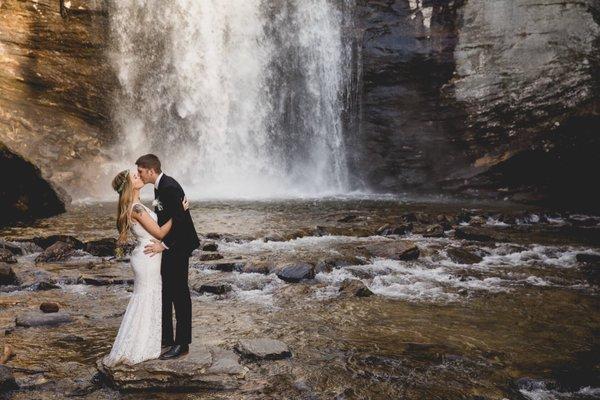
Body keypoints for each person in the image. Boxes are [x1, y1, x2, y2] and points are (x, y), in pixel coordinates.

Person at [103, 169, 189, 366]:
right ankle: (140, 346)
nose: (140, 177)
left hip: (146, 254)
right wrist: (178, 213)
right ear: (129, 186)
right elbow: (159, 233)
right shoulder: (137, 209)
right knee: (147, 297)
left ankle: (144, 342)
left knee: (146, 297)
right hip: (148, 255)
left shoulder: (135, 206)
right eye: (135, 176)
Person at [136, 154, 200, 359]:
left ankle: (183, 344)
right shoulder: (160, 186)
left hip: (178, 246)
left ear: (150, 170)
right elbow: (169, 216)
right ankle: (167, 338)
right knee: (168, 291)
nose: (139, 175)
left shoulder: (169, 187)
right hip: (172, 245)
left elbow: (179, 220)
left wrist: (163, 245)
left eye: (140, 171)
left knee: (180, 294)